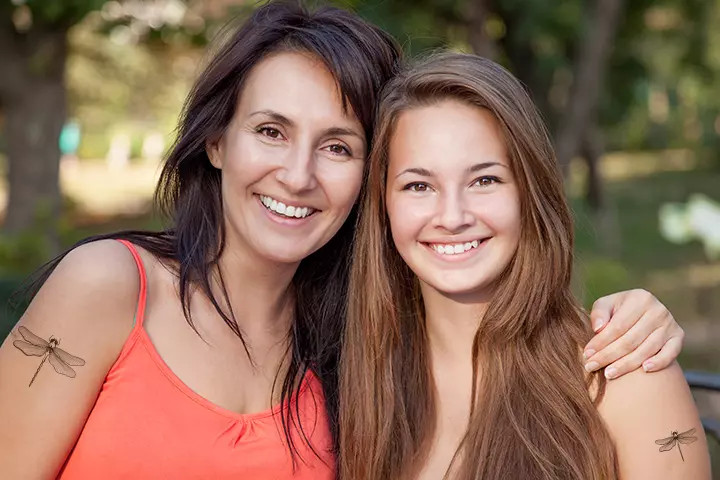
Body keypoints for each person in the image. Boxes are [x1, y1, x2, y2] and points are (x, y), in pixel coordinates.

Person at [0, 2, 686, 478]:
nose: (297, 175)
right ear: (215, 140)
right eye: (270, 131)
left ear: (366, 179)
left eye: (337, 145)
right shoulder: (108, 288)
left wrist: (637, 316)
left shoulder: (346, 353)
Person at [339, 53, 711, 480]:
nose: (453, 216)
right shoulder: (353, 382)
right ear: (382, 206)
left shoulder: (629, 376)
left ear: (529, 193)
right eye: (418, 185)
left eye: (485, 180)